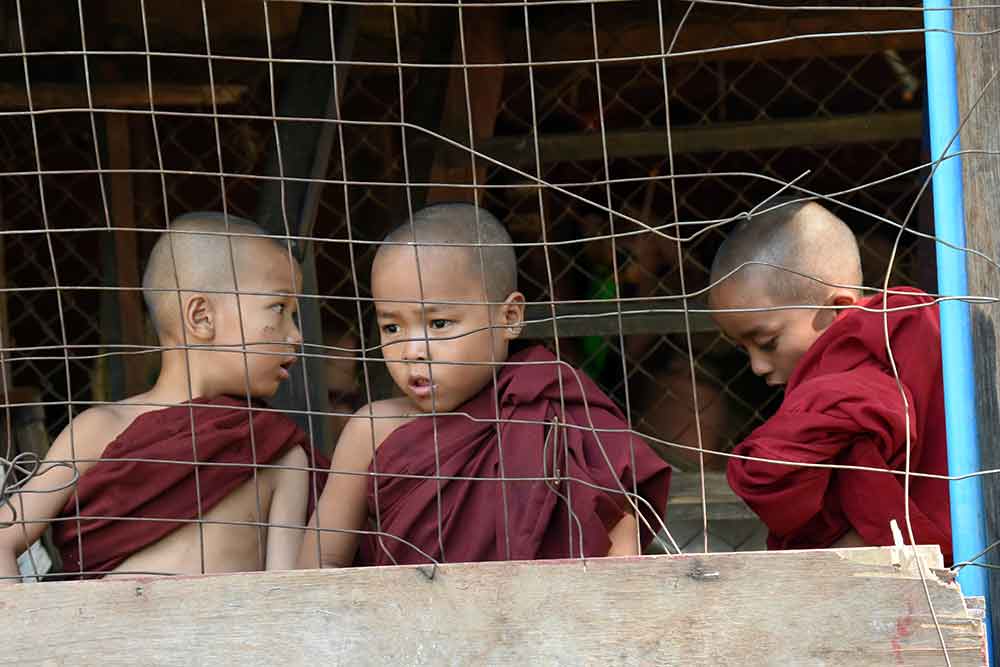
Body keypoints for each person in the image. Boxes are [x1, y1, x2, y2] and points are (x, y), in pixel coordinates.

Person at [299, 203, 671, 568]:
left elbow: (620, 549)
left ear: (509, 317)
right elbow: (321, 562)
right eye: (392, 327)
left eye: (439, 324)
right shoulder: (372, 430)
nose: (412, 351)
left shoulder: (557, 413)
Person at [0, 212, 319, 581]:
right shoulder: (99, 429)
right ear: (201, 317)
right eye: (280, 309)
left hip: (230, 637)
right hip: (98, 636)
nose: (296, 335)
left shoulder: (280, 452)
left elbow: (288, 592)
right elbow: (4, 540)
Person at [709, 197, 951, 559]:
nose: (758, 366)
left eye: (767, 342)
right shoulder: (825, 392)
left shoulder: (919, 337)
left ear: (837, 308)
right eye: (744, 349)